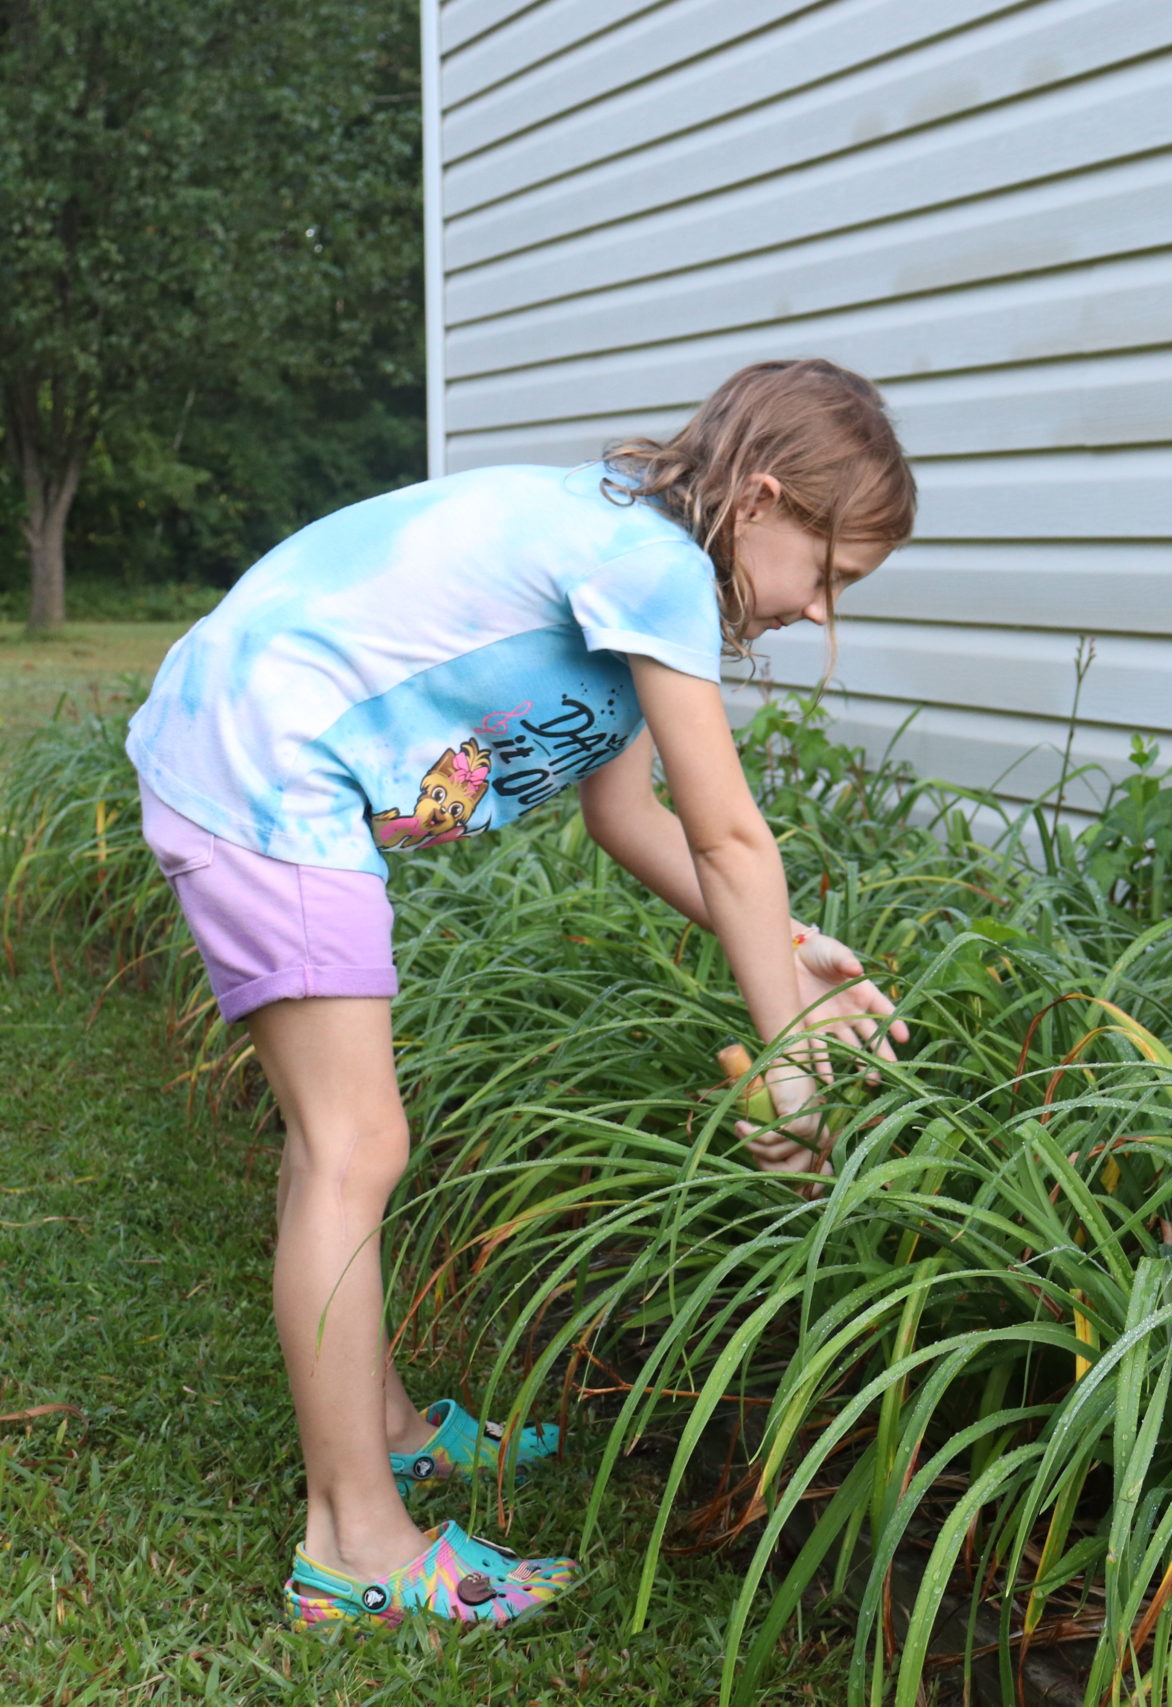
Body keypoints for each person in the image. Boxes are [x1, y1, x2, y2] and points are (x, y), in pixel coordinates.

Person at [124, 358, 917, 1630]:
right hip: (262, 770)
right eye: (829, 577)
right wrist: (792, 1046)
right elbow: (732, 837)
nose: (818, 610)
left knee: (343, 1142)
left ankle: (383, 1432)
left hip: (262, 759)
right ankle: (357, 1551)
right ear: (766, 497)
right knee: (356, 1143)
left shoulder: (640, 550)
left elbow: (633, 815)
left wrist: (793, 945)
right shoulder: (654, 565)